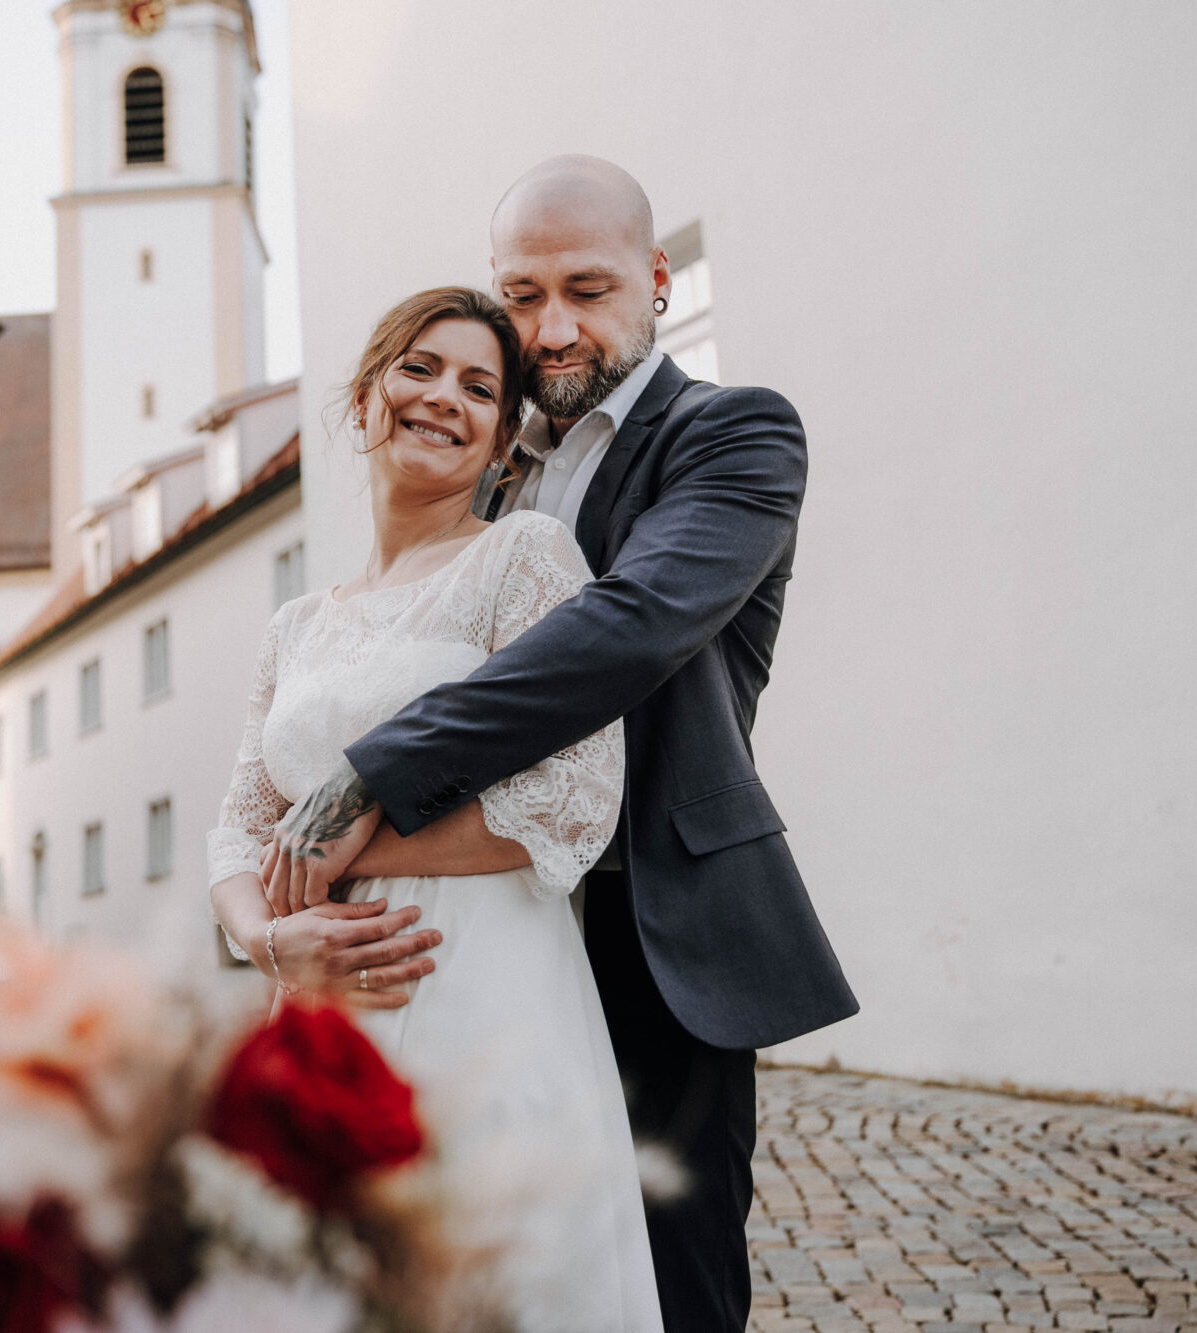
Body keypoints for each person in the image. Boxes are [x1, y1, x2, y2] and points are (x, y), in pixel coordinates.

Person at [257, 155, 860, 1332]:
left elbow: (627, 627)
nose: (553, 324)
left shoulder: (732, 434)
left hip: (652, 923)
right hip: (475, 941)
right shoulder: (494, 477)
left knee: (661, 1281)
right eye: (522, 293)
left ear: (656, 280)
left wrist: (372, 766)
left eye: (586, 287)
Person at [209, 286, 663, 1331]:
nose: (442, 398)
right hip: (320, 1004)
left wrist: (351, 847)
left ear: (506, 438)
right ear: (365, 395)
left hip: (482, 987)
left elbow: (571, 800)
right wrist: (272, 938)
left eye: (478, 387)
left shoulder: (525, 559)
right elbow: (239, 821)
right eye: (419, 369)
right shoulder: (293, 625)